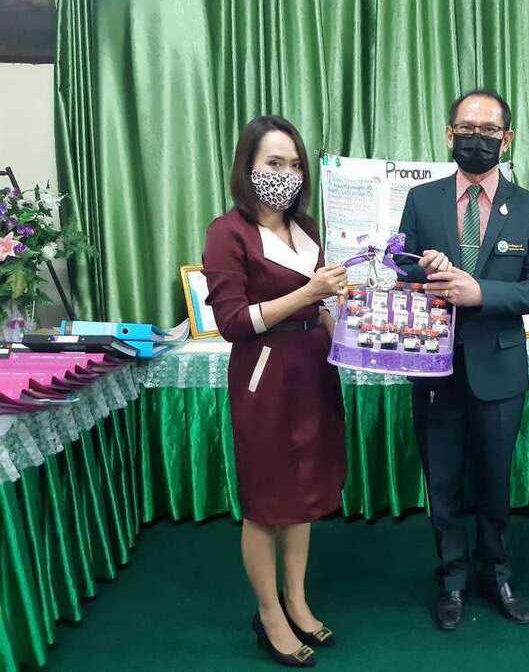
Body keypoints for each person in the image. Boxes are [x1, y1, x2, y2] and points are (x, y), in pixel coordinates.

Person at [396, 88, 529, 630]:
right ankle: (452, 579)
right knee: (442, 483)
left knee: (494, 482)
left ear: (507, 140)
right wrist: (422, 268)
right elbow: (400, 265)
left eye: (489, 131)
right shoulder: (423, 200)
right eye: (467, 128)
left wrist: (479, 292)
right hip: (434, 366)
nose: (477, 139)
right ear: (449, 134)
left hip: (499, 369)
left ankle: (498, 575)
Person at [203, 115, 348, 667]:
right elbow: (233, 322)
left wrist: (349, 328)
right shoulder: (227, 232)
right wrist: (307, 294)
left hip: (314, 369)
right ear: (248, 167)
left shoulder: (305, 226)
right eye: (273, 163)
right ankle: (268, 615)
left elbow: (324, 304)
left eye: (294, 164)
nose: (285, 174)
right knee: (266, 501)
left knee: (303, 493)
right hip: (265, 375)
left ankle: (297, 601)